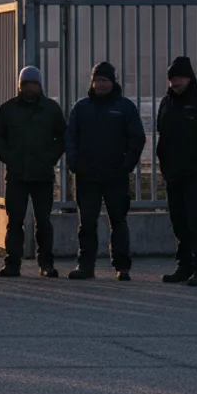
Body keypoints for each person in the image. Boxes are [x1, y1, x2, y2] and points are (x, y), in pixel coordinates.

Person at [64, 62, 146, 281]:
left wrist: (126, 164)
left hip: (115, 176)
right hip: (86, 176)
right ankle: (85, 265)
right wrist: (74, 163)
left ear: (113, 82)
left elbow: (137, 138)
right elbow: (70, 137)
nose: (101, 84)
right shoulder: (81, 108)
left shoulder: (125, 107)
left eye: (105, 80)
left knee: (118, 221)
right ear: (92, 82)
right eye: (98, 80)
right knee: (86, 223)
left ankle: (122, 267)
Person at [0, 66, 66, 278]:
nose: (30, 88)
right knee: (14, 221)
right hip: (16, 175)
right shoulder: (8, 109)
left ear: (40, 85)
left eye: (33, 84)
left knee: (43, 222)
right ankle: (12, 264)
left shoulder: (51, 109)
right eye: (26, 84)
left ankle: (46, 264)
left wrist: (50, 158)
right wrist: (8, 157)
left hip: (42, 175)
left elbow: (62, 137)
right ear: (20, 85)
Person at [157, 56, 197, 287]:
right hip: (173, 172)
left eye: (180, 77)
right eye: (172, 78)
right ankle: (184, 265)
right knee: (178, 220)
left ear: (190, 78)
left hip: (196, 172)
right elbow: (162, 134)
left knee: (195, 219)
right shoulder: (166, 102)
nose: (175, 82)